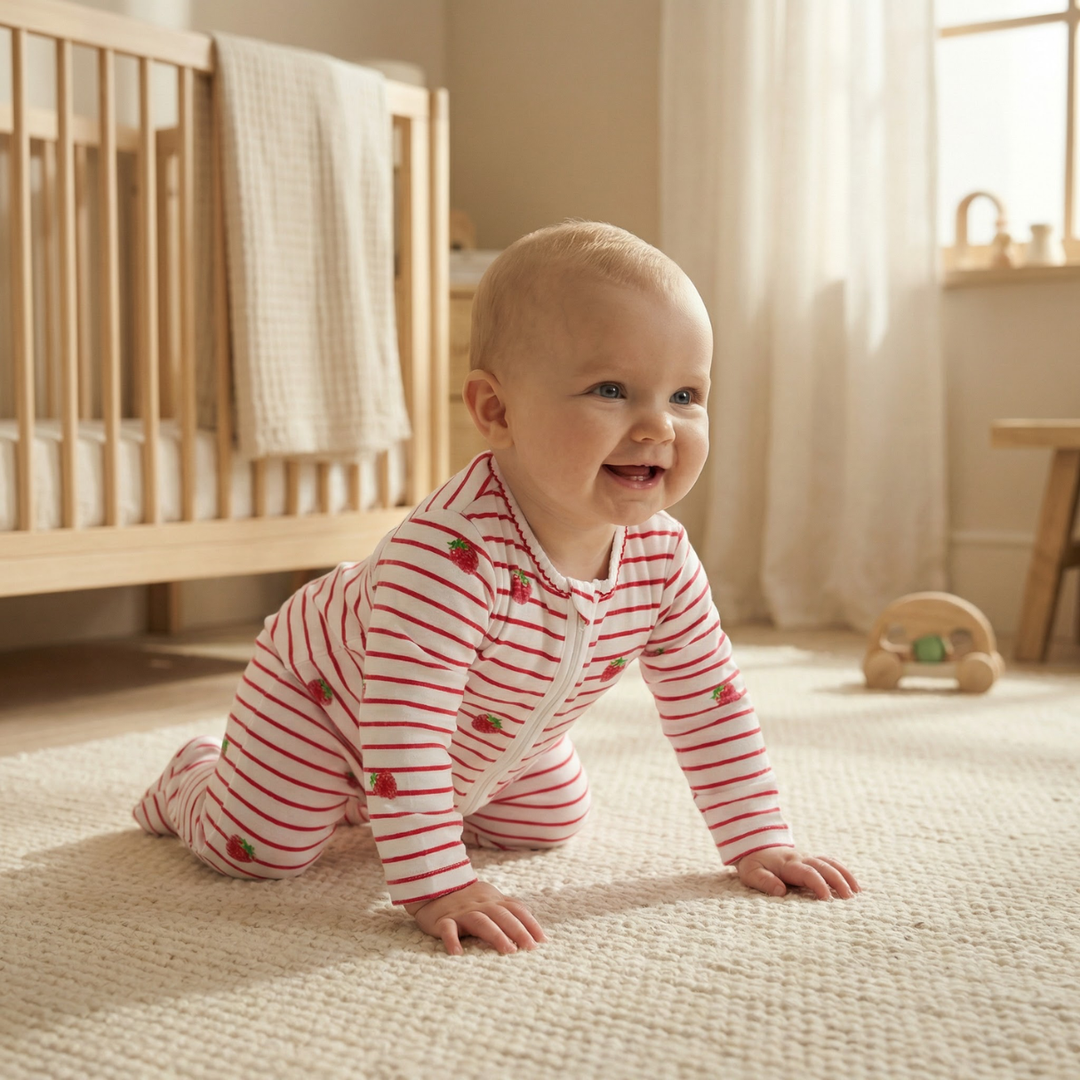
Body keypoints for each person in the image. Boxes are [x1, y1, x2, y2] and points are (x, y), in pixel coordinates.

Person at [134, 221, 859, 956]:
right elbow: (405, 727)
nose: (657, 427)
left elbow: (710, 702)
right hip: (324, 701)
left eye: (685, 395)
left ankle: (378, 803)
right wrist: (436, 881)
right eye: (612, 390)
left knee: (549, 822)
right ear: (496, 411)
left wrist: (758, 841)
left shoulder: (662, 558)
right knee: (261, 846)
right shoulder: (449, 559)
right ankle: (195, 777)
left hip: (491, 733)